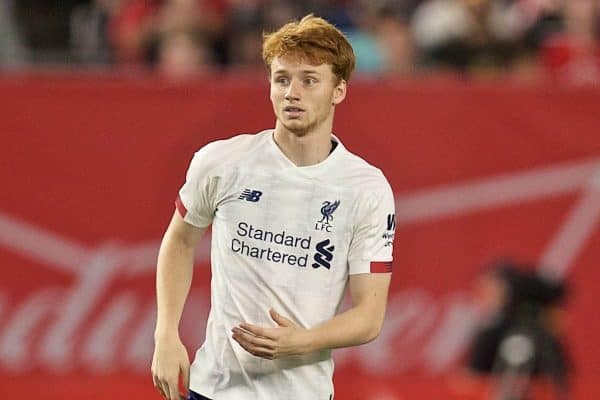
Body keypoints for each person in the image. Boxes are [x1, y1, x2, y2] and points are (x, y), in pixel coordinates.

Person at [151, 14, 396, 400]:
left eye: (309, 80)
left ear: (339, 90)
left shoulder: (366, 188)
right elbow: (180, 241)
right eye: (282, 79)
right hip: (212, 389)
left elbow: (369, 317)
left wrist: (299, 342)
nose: (292, 92)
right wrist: (165, 333)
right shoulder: (223, 161)